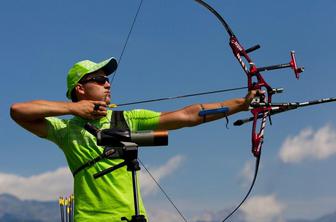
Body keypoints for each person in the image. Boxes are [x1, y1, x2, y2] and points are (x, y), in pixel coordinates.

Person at [10, 57, 259, 222]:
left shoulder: (126, 118)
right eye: (99, 79)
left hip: (133, 217)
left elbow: (186, 115)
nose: (107, 83)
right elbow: (17, 111)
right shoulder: (65, 129)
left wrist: (241, 104)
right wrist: (73, 109)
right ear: (80, 88)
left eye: (107, 79)